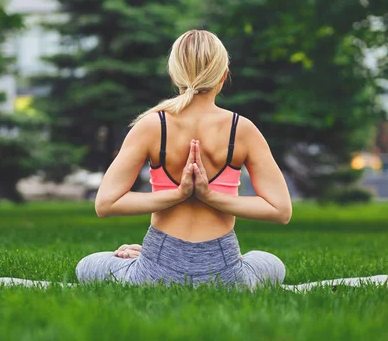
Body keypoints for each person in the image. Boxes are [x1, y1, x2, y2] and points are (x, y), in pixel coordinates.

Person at [75, 30, 292, 288]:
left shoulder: (151, 126)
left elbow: (106, 204)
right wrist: (209, 196)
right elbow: (281, 210)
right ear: (223, 75)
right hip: (225, 273)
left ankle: (143, 259)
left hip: (155, 270)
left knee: (88, 265)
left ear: (173, 74)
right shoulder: (242, 129)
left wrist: (178, 195)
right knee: (270, 262)